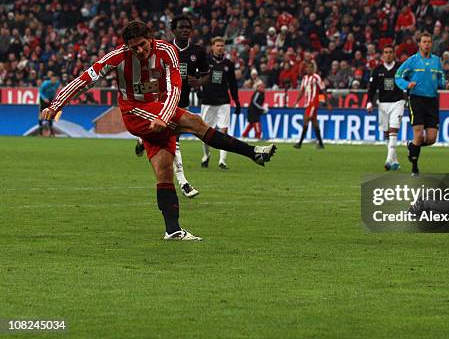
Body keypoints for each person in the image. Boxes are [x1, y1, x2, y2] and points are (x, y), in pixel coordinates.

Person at [41, 21, 276, 241]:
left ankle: (173, 230)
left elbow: (176, 86)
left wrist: (163, 116)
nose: (140, 51)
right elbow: (85, 79)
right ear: (127, 46)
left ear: (150, 39)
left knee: (164, 170)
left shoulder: (166, 51)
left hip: (160, 112)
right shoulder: (118, 57)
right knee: (195, 122)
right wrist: (56, 104)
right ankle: (253, 152)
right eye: (134, 48)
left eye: (142, 45)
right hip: (134, 112)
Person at [135, 15, 209, 198]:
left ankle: (141, 139)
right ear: (173, 30)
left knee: (172, 141)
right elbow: (148, 76)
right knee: (174, 142)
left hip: (182, 102)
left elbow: (206, 74)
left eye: (188, 27)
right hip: (162, 103)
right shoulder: (162, 49)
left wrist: (199, 82)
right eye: (181, 27)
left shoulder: (197, 52)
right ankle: (184, 183)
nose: (185, 30)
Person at [395, 32, 445, 176]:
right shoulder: (412, 60)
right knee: (418, 134)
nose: (427, 44)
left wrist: (443, 83)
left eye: (429, 42)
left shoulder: (436, 60)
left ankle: (412, 146)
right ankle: (414, 168)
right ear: (419, 44)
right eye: (424, 42)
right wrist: (406, 84)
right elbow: (398, 76)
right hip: (416, 99)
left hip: (432, 101)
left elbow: (440, 76)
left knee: (431, 139)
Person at [199, 37, 241, 170]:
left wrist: (237, 100)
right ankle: (206, 155)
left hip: (224, 101)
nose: (220, 47)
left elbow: (233, 84)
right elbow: (198, 78)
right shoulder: (205, 62)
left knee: (224, 131)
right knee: (204, 133)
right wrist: (198, 90)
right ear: (212, 47)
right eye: (217, 45)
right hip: (208, 101)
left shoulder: (228, 64)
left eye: (222, 45)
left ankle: (222, 161)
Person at [366, 44, 405, 171]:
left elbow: (406, 83)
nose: (388, 54)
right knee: (386, 132)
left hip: (397, 102)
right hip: (382, 104)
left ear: (394, 54)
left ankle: (388, 161)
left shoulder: (400, 69)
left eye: (390, 52)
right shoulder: (377, 70)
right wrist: (369, 102)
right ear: (383, 55)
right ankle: (395, 161)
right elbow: (372, 88)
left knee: (394, 130)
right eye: (386, 52)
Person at [293, 61, 330, 149]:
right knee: (314, 123)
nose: (308, 69)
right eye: (307, 67)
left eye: (310, 67)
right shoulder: (304, 78)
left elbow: (323, 90)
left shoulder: (316, 77)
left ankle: (300, 143)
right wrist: (297, 101)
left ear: (313, 68)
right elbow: (302, 91)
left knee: (306, 119)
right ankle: (320, 143)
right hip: (307, 103)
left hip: (314, 103)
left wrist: (328, 103)